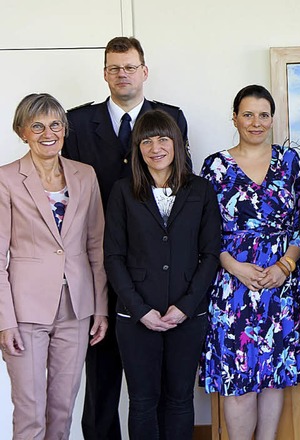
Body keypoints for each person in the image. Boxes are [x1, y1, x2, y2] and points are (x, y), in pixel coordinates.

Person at [61, 36, 190, 440]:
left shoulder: (170, 117)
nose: (123, 74)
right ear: (104, 74)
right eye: (115, 68)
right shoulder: (78, 122)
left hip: (158, 269)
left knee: (161, 385)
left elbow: (180, 187)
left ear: (144, 71)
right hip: (98, 264)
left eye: (130, 67)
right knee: (100, 378)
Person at [199, 85, 300, 440]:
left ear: (272, 119)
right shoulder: (216, 166)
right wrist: (234, 266)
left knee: (274, 377)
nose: (256, 122)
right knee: (239, 380)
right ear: (234, 118)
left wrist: (285, 266)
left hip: (282, 286)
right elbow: (205, 231)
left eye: (263, 115)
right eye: (247, 114)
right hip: (233, 286)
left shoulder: (291, 162)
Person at [104, 109, 220, 439]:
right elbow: (113, 256)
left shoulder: (201, 190)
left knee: (181, 400)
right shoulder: (123, 192)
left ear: (178, 144)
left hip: (188, 313)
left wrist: (186, 306)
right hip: (135, 316)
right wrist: (140, 310)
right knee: (142, 402)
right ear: (137, 148)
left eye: (163, 139)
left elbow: (210, 254)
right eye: (147, 140)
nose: (156, 147)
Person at [0, 93, 108, 439]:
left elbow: (96, 247)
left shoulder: (85, 176)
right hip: (25, 311)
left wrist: (101, 309)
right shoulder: (7, 179)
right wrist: (5, 322)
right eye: (37, 126)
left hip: (76, 309)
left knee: (62, 411)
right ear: (22, 132)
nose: (48, 133)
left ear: (64, 129)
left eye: (55, 124)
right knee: (30, 413)